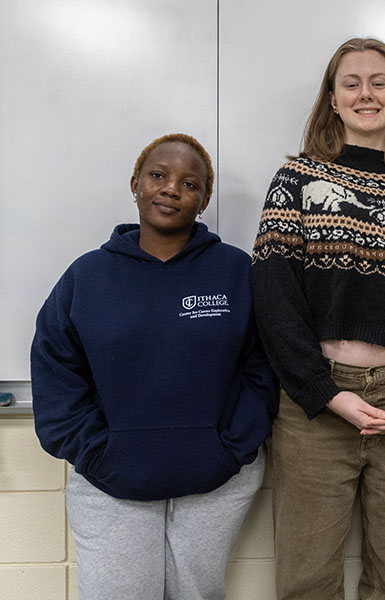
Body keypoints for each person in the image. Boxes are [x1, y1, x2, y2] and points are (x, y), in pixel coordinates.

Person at [250, 37, 385, 600]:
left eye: (378, 82)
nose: (365, 93)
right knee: (306, 578)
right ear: (333, 97)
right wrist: (324, 392)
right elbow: (274, 302)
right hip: (315, 406)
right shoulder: (297, 179)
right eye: (351, 83)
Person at [31, 133, 279, 600]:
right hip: (110, 482)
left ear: (203, 201)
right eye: (158, 176)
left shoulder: (235, 272)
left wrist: (230, 449)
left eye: (190, 184)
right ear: (136, 184)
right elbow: (55, 371)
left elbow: (263, 366)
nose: (171, 189)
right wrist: (99, 453)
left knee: (198, 594)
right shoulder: (86, 276)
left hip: (216, 480)